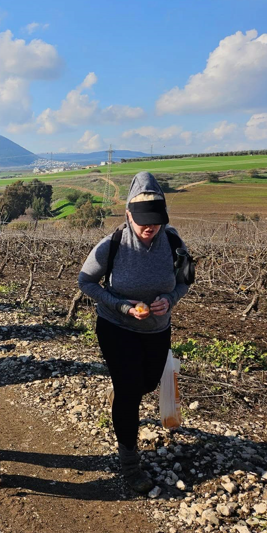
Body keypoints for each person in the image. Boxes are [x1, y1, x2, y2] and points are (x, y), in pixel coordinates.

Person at [78, 172, 191, 494]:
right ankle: (130, 464)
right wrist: (121, 306)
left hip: (157, 329)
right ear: (128, 214)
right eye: (142, 219)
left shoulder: (173, 242)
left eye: (154, 220)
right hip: (117, 327)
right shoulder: (110, 245)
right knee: (129, 391)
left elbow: (185, 280)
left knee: (148, 384)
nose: (148, 227)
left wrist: (169, 300)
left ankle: (122, 393)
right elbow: (85, 282)